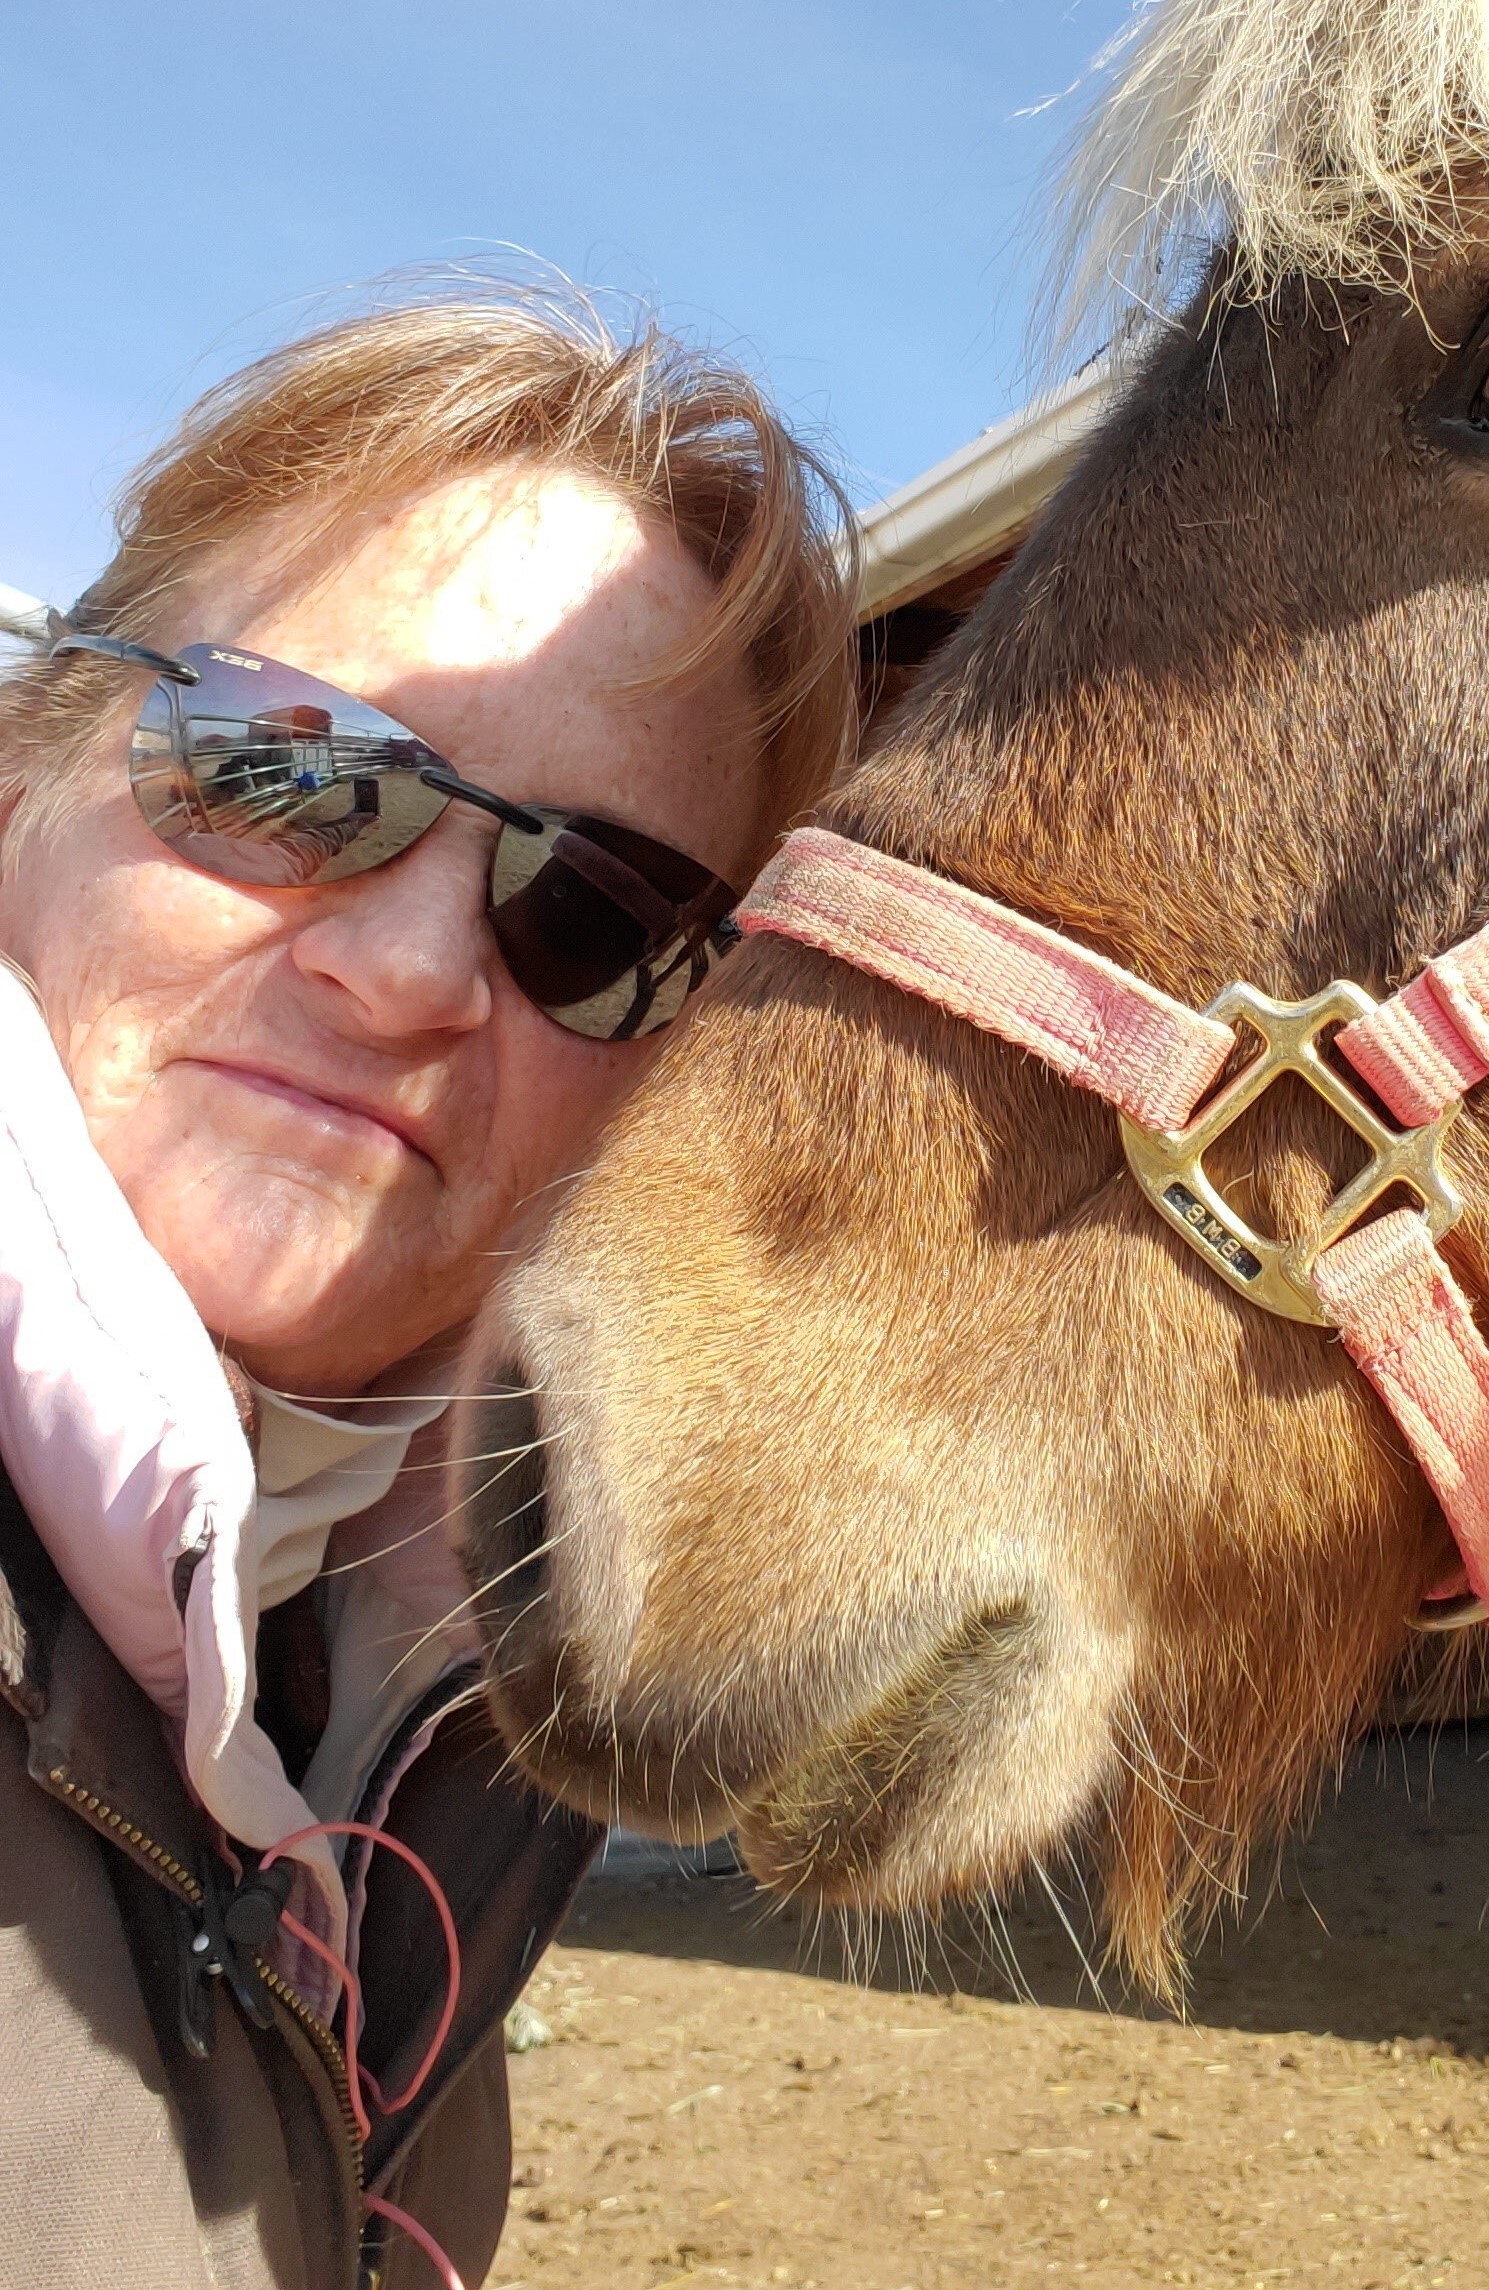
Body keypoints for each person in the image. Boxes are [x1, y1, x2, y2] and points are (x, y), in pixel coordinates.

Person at [0, 285, 851, 2289]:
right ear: (27, 762)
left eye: (596, 913)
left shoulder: (444, 1702)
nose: (401, 971)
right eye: (287, 767)